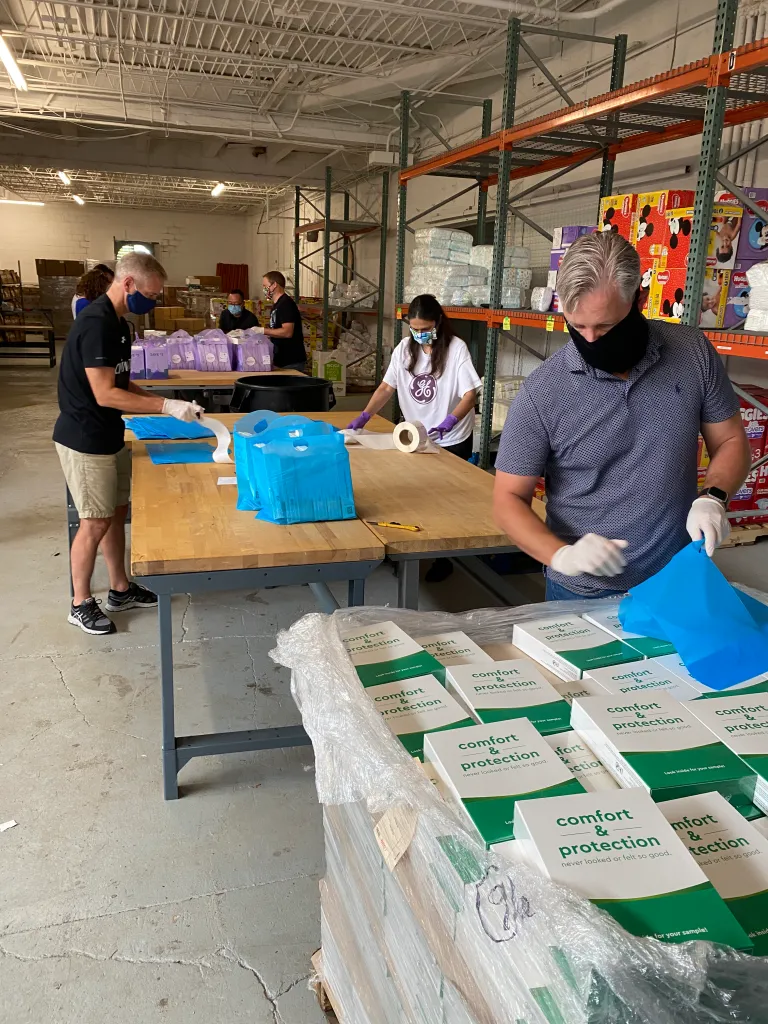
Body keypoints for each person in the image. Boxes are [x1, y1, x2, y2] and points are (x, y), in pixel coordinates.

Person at [493, 231, 750, 601]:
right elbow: (507, 499)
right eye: (578, 327)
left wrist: (714, 497)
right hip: (582, 592)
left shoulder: (691, 353)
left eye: (606, 327)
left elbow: (729, 439)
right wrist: (560, 555)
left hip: (677, 581)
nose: (591, 340)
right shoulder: (542, 393)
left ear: (639, 299)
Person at [54, 252, 204, 636]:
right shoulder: (95, 323)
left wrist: (170, 404)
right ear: (128, 283)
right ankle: (80, 601)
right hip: (85, 437)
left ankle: (120, 589)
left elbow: (122, 385)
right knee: (94, 520)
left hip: (109, 432)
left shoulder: (121, 325)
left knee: (117, 512)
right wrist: (164, 405)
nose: (153, 303)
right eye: (151, 295)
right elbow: (104, 394)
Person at [347, 293, 481, 581]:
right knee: (414, 494)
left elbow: (470, 395)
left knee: (445, 502)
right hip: (416, 436)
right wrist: (364, 417)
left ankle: (444, 558)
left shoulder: (456, 349)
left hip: (450, 437)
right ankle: (407, 552)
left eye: (425, 328)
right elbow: (386, 387)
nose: (420, 334)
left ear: (439, 322)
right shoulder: (405, 349)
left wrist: (449, 422)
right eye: (415, 329)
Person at [261, 271, 306, 370]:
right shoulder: (277, 305)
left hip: (291, 361)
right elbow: (277, 329)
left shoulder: (285, 304)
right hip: (281, 360)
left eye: (265, 285)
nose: (264, 289)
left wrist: (263, 331)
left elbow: (287, 332)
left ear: (274, 285)